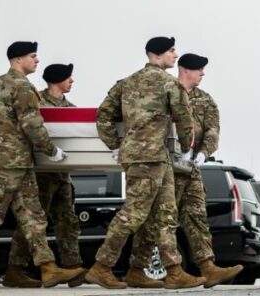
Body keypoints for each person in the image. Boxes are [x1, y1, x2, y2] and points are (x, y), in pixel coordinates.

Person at [0, 42, 84, 289]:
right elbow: (32, 125)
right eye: (32, 56)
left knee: (33, 217)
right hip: (8, 165)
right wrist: (52, 151)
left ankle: (47, 268)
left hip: (16, 164)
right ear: (18, 59)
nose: (37, 60)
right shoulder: (23, 87)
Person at [85, 37, 204, 290]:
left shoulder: (126, 83)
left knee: (166, 214)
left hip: (149, 158)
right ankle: (101, 267)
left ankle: (166, 271)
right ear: (158, 54)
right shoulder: (169, 83)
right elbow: (184, 119)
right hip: (150, 159)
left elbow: (103, 114)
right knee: (133, 214)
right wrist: (186, 149)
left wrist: (115, 144)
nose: (175, 55)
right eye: (171, 51)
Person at [128, 53, 241, 287]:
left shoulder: (205, 100)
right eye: (199, 69)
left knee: (197, 217)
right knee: (156, 222)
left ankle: (208, 267)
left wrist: (203, 153)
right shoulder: (165, 91)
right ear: (186, 70)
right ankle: (137, 269)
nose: (203, 74)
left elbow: (212, 131)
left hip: (191, 170)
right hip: (165, 169)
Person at [4, 63, 83, 288]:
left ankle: (73, 267)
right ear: (57, 79)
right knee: (32, 224)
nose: (72, 81)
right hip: (39, 176)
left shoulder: (71, 108)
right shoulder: (37, 102)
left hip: (62, 175)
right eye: (68, 77)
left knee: (67, 222)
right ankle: (15, 268)